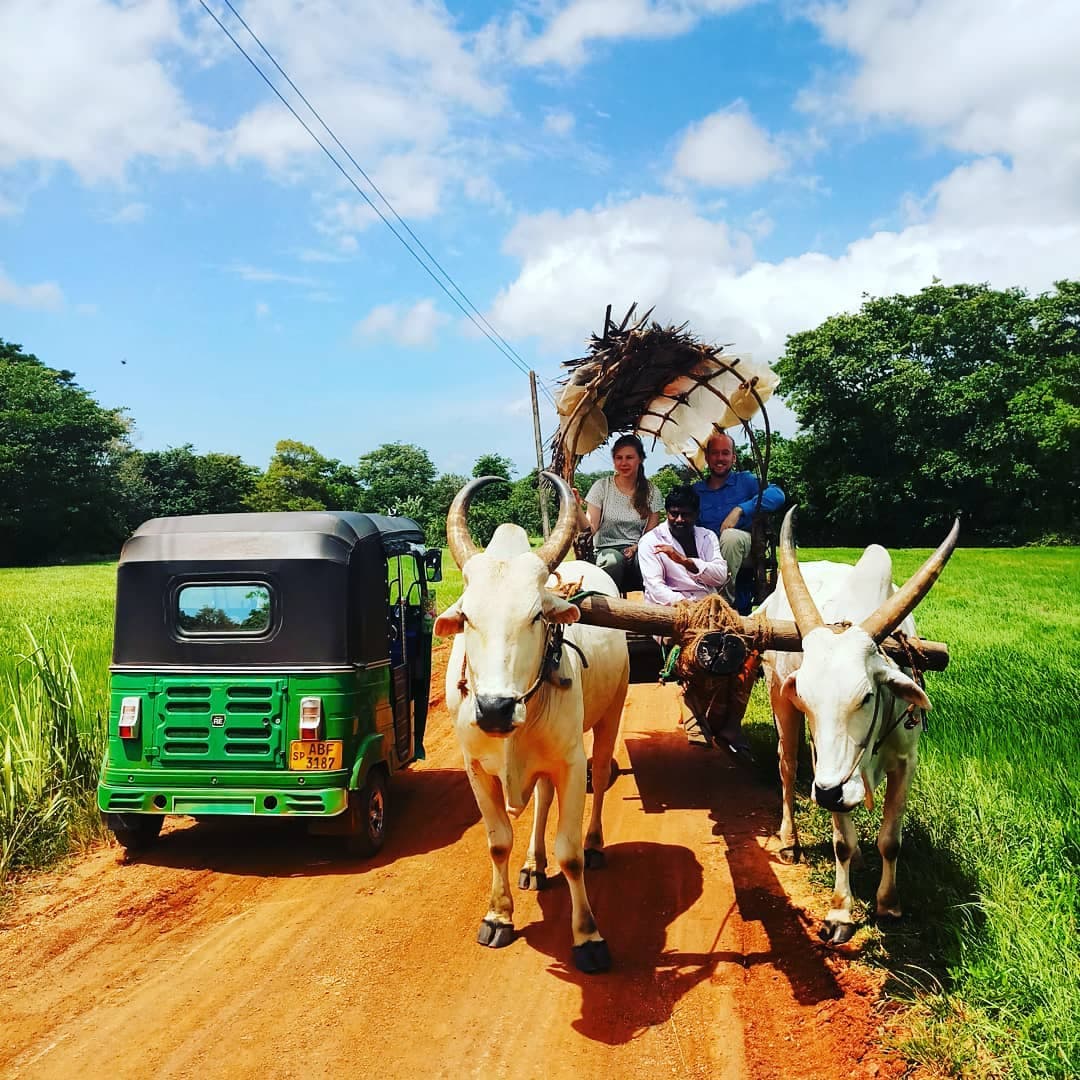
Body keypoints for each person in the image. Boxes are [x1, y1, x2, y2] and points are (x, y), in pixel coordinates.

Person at [638, 487, 752, 762]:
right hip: (672, 610)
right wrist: (691, 610)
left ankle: (730, 723)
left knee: (745, 651)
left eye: (685, 515)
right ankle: (693, 707)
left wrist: (685, 562)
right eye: (674, 514)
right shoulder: (650, 541)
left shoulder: (707, 536)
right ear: (667, 513)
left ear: (696, 515)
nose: (679, 520)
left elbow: (720, 575)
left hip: (710, 608)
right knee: (697, 650)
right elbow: (655, 588)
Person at [692, 431, 785, 602]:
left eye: (725, 453)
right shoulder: (696, 491)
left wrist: (741, 509)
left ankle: (721, 601)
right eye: (715, 453)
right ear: (707, 457)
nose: (720, 458)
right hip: (708, 550)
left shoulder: (745, 481)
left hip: (742, 546)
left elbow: (777, 495)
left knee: (730, 537)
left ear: (733, 458)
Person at [583, 434, 662, 593]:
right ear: (614, 460)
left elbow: (651, 534)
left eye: (629, 457)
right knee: (613, 561)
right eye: (619, 458)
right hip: (605, 550)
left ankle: (652, 599)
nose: (624, 463)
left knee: (650, 560)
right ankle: (607, 600)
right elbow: (590, 528)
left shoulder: (652, 492)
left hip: (638, 548)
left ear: (640, 459)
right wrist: (576, 508)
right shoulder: (602, 487)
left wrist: (635, 548)